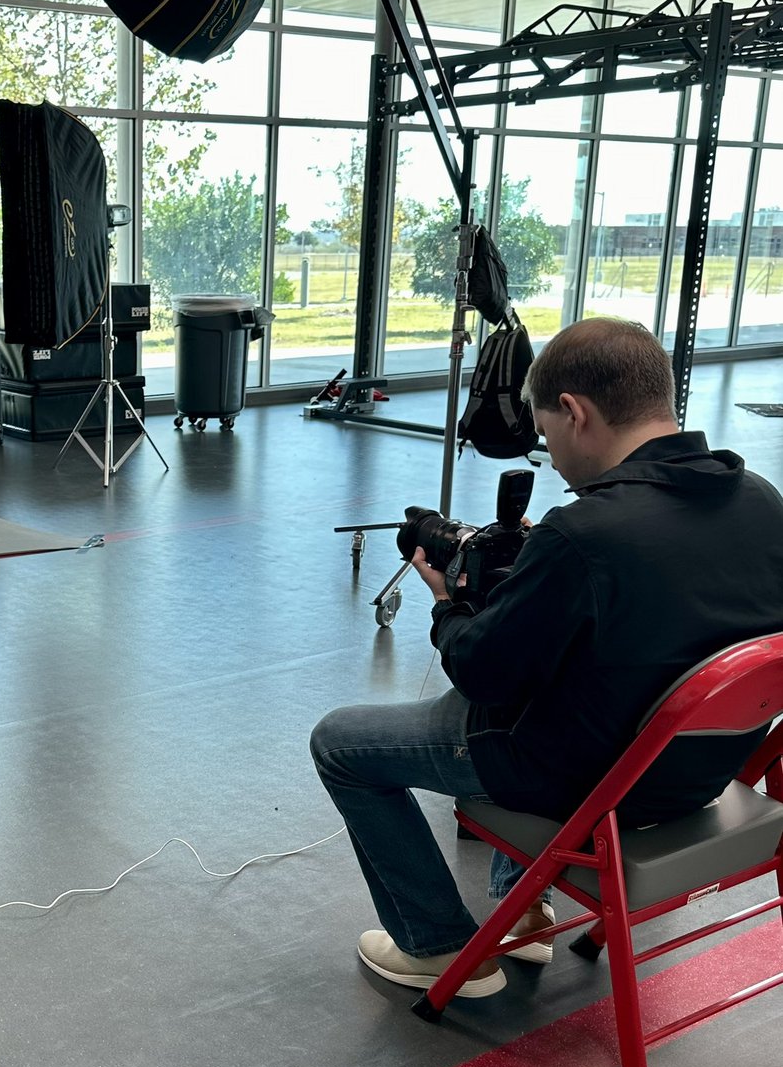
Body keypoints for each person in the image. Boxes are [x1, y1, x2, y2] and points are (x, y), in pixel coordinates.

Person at [311, 317, 783, 999]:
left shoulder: (586, 533)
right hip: (696, 777)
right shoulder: (763, 503)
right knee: (571, 683)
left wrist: (449, 606)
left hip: (593, 789)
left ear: (574, 411)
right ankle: (525, 904)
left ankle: (439, 947)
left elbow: (481, 671)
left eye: (547, 436)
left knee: (341, 743)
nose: (551, 459)